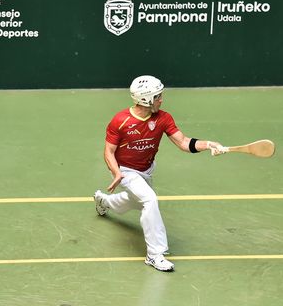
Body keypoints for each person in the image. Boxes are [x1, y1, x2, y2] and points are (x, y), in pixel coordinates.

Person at [93, 75, 226, 271]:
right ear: (146, 99)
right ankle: (154, 254)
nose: (161, 99)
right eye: (158, 96)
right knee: (149, 200)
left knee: (135, 201)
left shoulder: (163, 118)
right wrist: (116, 173)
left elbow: (183, 142)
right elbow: (109, 151)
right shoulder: (120, 121)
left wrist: (208, 144)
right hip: (127, 171)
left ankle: (103, 201)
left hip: (146, 171)